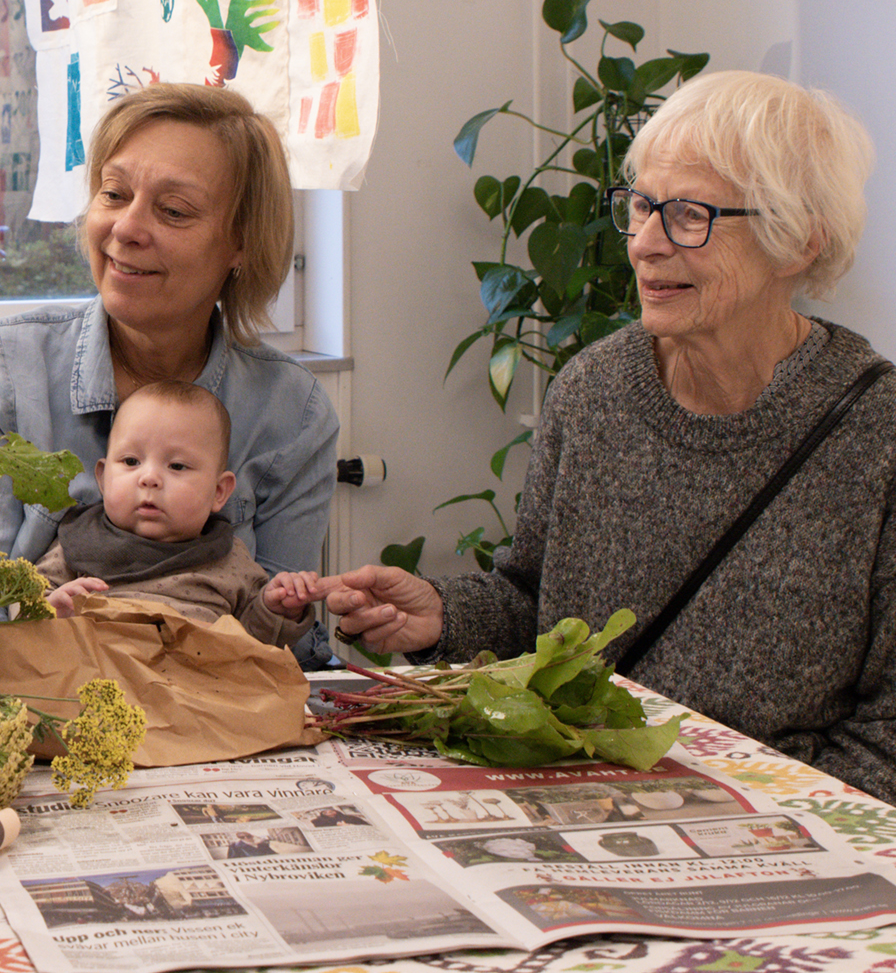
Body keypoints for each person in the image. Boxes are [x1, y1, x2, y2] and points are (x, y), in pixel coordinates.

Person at [318, 71, 896, 802]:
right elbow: (537, 605)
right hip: (585, 801)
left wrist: (738, 811)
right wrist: (441, 614)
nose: (645, 244)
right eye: (642, 206)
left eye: (690, 214)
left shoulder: (877, 429)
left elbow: (888, 732)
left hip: (780, 829)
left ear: (797, 242)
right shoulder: (594, 390)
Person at [0, 84, 339, 666]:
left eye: (173, 211)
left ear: (242, 242)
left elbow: (275, 644)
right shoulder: (1, 370)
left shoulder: (292, 414)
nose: (126, 229)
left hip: (206, 710)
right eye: (113, 194)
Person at [33, 380, 319, 646]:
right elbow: (24, 605)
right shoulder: (78, 542)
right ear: (103, 477)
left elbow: (254, 644)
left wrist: (275, 609)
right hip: (96, 682)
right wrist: (53, 609)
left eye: (177, 466)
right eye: (131, 461)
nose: (149, 478)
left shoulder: (228, 558)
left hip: (196, 689)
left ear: (219, 492)